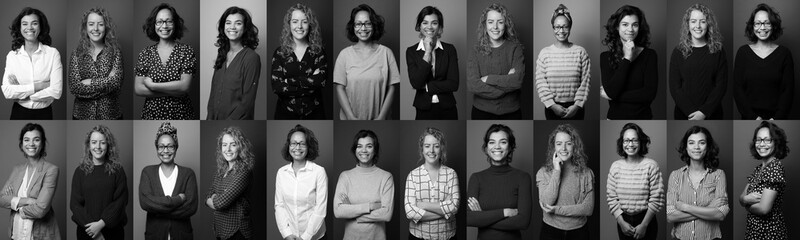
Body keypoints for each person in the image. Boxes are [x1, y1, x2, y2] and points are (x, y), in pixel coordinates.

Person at [333, 4, 399, 120]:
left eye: (367, 23)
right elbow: (340, 88)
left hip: (380, 119)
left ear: (374, 25)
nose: (363, 28)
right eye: (358, 24)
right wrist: (350, 117)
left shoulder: (386, 53)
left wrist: (381, 117)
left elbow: (392, 88)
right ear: (353, 27)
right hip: (349, 120)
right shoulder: (344, 55)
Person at [467, 124, 532, 239]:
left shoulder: (523, 178)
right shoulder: (476, 178)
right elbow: (469, 218)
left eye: (503, 142)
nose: (497, 146)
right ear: (486, 148)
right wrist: (504, 212)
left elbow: (523, 222)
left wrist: (483, 218)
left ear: (510, 146)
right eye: (492, 142)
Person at [135, 3, 197, 120]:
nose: (164, 25)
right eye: (159, 22)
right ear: (153, 25)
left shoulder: (186, 51)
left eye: (169, 21)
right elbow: (138, 89)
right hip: (151, 115)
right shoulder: (145, 53)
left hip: (181, 114)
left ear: (175, 24)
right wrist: (174, 91)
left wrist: (152, 86)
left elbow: (184, 87)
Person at [666, 126, 728, 240]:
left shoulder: (718, 175)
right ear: (686, 146)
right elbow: (670, 216)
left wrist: (685, 207)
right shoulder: (675, 176)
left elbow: (720, 215)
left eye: (702, 142)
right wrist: (710, 208)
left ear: (708, 146)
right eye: (691, 143)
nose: (696, 147)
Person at [733, 4, 794, 120]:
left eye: (767, 23)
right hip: (749, 119)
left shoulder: (784, 54)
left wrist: (776, 119)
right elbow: (737, 89)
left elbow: (788, 91)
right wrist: (753, 117)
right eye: (758, 23)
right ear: (752, 26)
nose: (762, 27)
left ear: (773, 25)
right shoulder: (742, 53)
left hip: (777, 119)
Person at [0, 123, 60, 239]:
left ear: (42, 144)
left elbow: (40, 210)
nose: (31, 144)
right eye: (26, 140)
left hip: (40, 235)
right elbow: (1, 199)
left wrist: (14, 203)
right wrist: (28, 200)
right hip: (16, 234)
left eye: (36, 140)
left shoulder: (51, 170)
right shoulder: (17, 170)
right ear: (21, 145)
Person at [139, 122, 198, 239]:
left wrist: (158, 209)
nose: (165, 151)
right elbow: (145, 203)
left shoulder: (188, 174)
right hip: (155, 235)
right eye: (161, 146)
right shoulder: (147, 172)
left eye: (170, 146)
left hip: (182, 236)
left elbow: (191, 208)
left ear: (176, 147)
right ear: (156, 148)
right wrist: (178, 199)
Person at [2, 7, 62, 120]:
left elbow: (56, 91)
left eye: (34, 23)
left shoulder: (53, 54)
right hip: (18, 113)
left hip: (45, 113)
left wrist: (23, 93)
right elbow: (7, 91)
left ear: (40, 27)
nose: (29, 27)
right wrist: (40, 86)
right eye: (25, 24)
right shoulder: (12, 56)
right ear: (20, 28)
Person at [466, 4, 525, 120]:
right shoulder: (476, 50)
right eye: (491, 22)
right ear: (485, 24)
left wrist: (488, 79)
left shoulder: (515, 49)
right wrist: (506, 84)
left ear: (506, 24)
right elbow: (473, 85)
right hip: (481, 113)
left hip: (512, 113)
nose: (495, 27)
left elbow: (517, 81)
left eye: (500, 22)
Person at [669, 4, 728, 120]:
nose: (698, 26)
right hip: (684, 115)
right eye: (693, 21)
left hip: (712, 114)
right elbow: (675, 88)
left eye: (702, 21)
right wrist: (691, 112)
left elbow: (721, 86)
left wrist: (704, 112)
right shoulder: (678, 52)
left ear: (708, 24)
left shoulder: (718, 50)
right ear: (688, 24)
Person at [333, 130, 394, 240]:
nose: (364, 150)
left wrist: (351, 210)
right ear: (355, 150)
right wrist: (371, 206)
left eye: (369, 146)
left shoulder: (386, 177)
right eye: (359, 146)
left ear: (375, 150)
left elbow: (386, 214)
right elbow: (338, 212)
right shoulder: (345, 176)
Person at [70, 125, 128, 240]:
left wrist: (101, 224)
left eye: (102, 142)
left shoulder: (118, 170)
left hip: (113, 233)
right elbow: (75, 205)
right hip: (86, 232)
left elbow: (120, 201)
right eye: (94, 142)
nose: (98, 147)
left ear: (108, 145)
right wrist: (93, 230)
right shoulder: (80, 171)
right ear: (88, 145)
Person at [606, 123, 663, 240]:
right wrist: (621, 222)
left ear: (641, 142)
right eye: (626, 140)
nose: (630, 144)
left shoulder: (651, 165)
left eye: (634, 140)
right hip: (623, 220)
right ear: (621, 143)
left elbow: (657, 198)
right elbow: (611, 198)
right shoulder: (615, 167)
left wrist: (644, 225)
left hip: (647, 220)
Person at [600, 5, 658, 120]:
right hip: (614, 119)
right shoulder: (605, 57)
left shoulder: (650, 55)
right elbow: (611, 90)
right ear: (617, 27)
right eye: (625, 24)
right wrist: (627, 58)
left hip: (643, 118)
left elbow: (649, 93)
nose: (630, 29)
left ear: (639, 27)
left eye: (635, 24)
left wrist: (614, 96)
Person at [536, 124, 593, 240]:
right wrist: (557, 170)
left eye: (568, 143)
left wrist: (556, 210)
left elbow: (588, 208)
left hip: (579, 232)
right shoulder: (543, 173)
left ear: (575, 146)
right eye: (559, 144)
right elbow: (547, 202)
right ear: (553, 147)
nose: (563, 148)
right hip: (550, 232)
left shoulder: (587, 173)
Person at [271, 3, 327, 120]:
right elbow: (277, 87)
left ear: (310, 25)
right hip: (284, 114)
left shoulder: (318, 51)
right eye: (295, 21)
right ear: (289, 24)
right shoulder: (280, 53)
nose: (300, 26)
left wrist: (288, 81)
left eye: (305, 21)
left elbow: (320, 82)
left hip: (314, 114)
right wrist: (309, 83)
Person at [535, 4, 590, 120]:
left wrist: (576, 106)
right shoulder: (544, 53)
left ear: (570, 27)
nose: (561, 30)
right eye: (557, 27)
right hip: (552, 108)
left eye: (565, 26)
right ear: (553, 28)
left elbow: (585, 81)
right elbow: (541, 82)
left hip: (576, 109)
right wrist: (552, 105)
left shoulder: (581, 52)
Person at [404, 127, 459, 240]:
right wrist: (444, 212)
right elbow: (410, 212)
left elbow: (454, 207)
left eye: (436, 146)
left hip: (447, 236)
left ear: (442, 149)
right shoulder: (413, 175)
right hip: (418, 236)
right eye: (427, 146)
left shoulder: (451, 174)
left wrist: (423, 205)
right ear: (422, 149)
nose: (432, 151)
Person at [68, 7, 123, 120]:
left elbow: (116, 84)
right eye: (91, 24)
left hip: (111, 115)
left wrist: (89, 82)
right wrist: (107, 83)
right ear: (86, 27)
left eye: (100, 24)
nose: (96, 28)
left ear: (106, 27)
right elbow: (74, 88)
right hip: (82, 116)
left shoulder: (115, 52)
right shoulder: (76, 53)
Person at [274, 124, 328, 240]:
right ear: (288, 146)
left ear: (308, 147)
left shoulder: (319, 172)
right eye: (293, 143)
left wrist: (306, 237)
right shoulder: (281, 173)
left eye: (302, 143)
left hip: (315, 237)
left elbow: (320, 209)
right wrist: (286, 233)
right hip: (291, 236)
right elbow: (279, 206)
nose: (297, 147)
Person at [207, 6, 261, 120]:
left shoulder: (251, 58)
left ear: (245, 27)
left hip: (237, 121)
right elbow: (213, 94)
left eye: (238, 23)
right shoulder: (222, 54)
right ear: (223, 26)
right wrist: (209, 119)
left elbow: (247, 103)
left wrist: (227, 123)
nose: (232, 27)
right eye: (228, 23)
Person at [406, 6, 459, 120]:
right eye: (425, 23)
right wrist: (428, 52)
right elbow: (416, 83)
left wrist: (427, 87)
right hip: (423, 108)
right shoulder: (411, 51)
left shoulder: (449, 49)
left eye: (434, 23)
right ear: (419, 26)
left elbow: (454, 84)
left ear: (439, 27)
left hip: (448, 108)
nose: (429, 27)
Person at [739, 121, 788, 240]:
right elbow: (741, 197)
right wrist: (745, 199)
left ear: (776, 142)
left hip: (770, 233)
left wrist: (746, 205)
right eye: (758, 139)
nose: (762, 144)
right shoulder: (759, 169)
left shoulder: (775, 167)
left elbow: (764, 209)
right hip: (753, 231)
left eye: (767, 140)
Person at [206, 126, 254, 240]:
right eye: (224, 145)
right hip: (220, 230)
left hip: (237, 232)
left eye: (233, 144)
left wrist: (214, 198)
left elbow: (220, 203)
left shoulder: (244, 172)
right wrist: (214, 197)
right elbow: (207, 195)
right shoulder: (221, 170)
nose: (228, 149)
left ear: (241, 147)